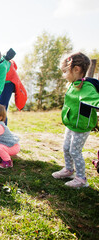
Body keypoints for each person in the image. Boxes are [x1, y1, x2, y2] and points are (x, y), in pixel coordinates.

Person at [52, 52, 99, 188]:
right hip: (71, 124)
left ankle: (81, 179)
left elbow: (96, 100)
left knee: (75, 151)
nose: (63, 75)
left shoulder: (86, 87)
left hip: (81, 126)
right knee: (66, 147)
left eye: (65, 71)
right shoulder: (73, 84)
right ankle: (69, 170)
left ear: (76, 69)